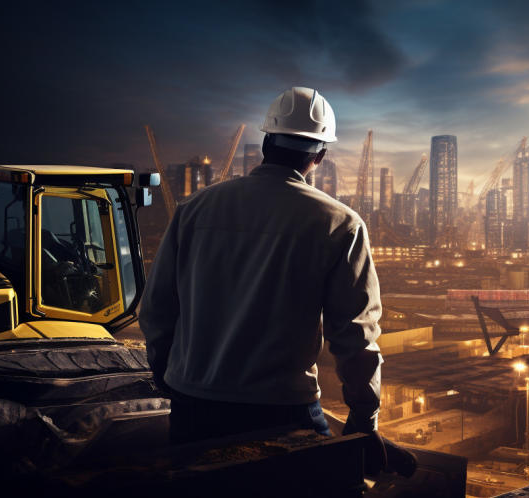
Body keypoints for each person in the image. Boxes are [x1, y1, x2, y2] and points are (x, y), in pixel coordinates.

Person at [138, 86, 414, 477]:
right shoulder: (340, 223)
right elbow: (354, 335)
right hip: (280, 408)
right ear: (320, 155)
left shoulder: (194, 209)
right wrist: (364, 418)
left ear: (266, 141)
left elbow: (157, 310)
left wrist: (170, 376)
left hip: (193, 402)